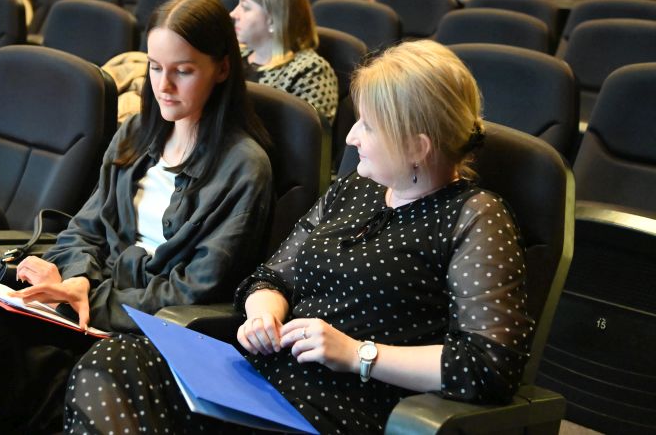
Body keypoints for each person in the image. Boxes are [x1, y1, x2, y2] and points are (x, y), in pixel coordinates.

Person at [62, 38, 533, 434]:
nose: (351, 138)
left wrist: (358, 355)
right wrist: (263, 312)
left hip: (337, 410)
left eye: (368, 126)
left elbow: (488, 365)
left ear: (417, 146)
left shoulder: (475, 216)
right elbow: (272, 276)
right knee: (114, 363)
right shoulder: (355, 189)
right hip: (258, 381)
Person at [0, 0, 273, 435]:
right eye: (155, 68)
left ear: (222, 68)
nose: (164, 86)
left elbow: (194, 289)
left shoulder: (244, 167)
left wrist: (86, 296)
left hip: (134, 336)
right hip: (77, 311)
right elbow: (84, 229)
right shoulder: (137, 134)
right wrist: (74, 279)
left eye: (184, 71)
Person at [230, 0, 338, 125]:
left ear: (274, 19)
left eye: (245, 7)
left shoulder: (310, 72)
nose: (233, 13)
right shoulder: (233, 55)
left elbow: (309, 137)